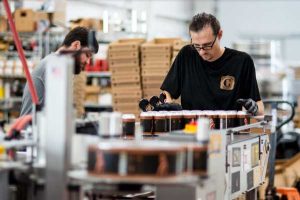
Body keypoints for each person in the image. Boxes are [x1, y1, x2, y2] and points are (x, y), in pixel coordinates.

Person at [160, 13, 264, 115]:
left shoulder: (242, 62)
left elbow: (260, 108)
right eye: (196, 45)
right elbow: (167, 92)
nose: (201, 51)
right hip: (192, 130)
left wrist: (254, 109)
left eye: (207, 45)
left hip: (228, 130)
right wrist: (167, 103)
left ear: (220, 35)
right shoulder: (186, 55)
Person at [20, 26, 99, 116]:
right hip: (34, 128)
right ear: (76, 45)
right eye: (87, 55)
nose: (88, 62)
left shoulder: (61, 65)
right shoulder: (53, 66)